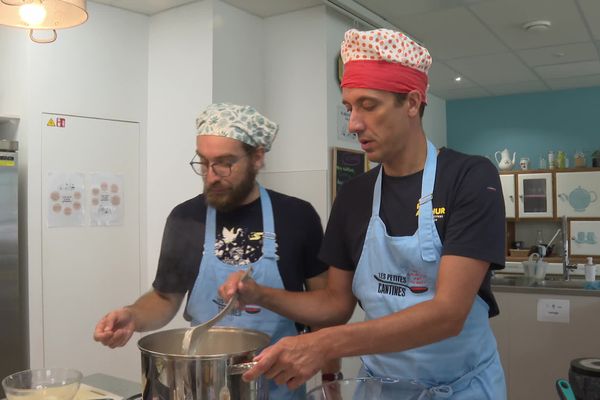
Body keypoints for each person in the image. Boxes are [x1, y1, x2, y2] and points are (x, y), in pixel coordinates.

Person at [220, 29, 507, 399]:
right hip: (380, 388)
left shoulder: (469, 177)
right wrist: (259, 293)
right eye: (349, 108)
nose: (354, 124)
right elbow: (335, 303)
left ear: (413, 103)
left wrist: (325, 345)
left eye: (368, 105)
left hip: (460, 388)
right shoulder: (355, 195)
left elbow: (448, 314)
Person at [93, 103, 338, 400]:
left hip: (279, 386)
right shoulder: (185, 218)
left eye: (224, 163)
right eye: (204, 163)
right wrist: (134, 316)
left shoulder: (297, 216)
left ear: (257, 157)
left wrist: (330, 381)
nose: (211, 176)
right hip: (204, 386)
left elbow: (326, 311)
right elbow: (163, 298)